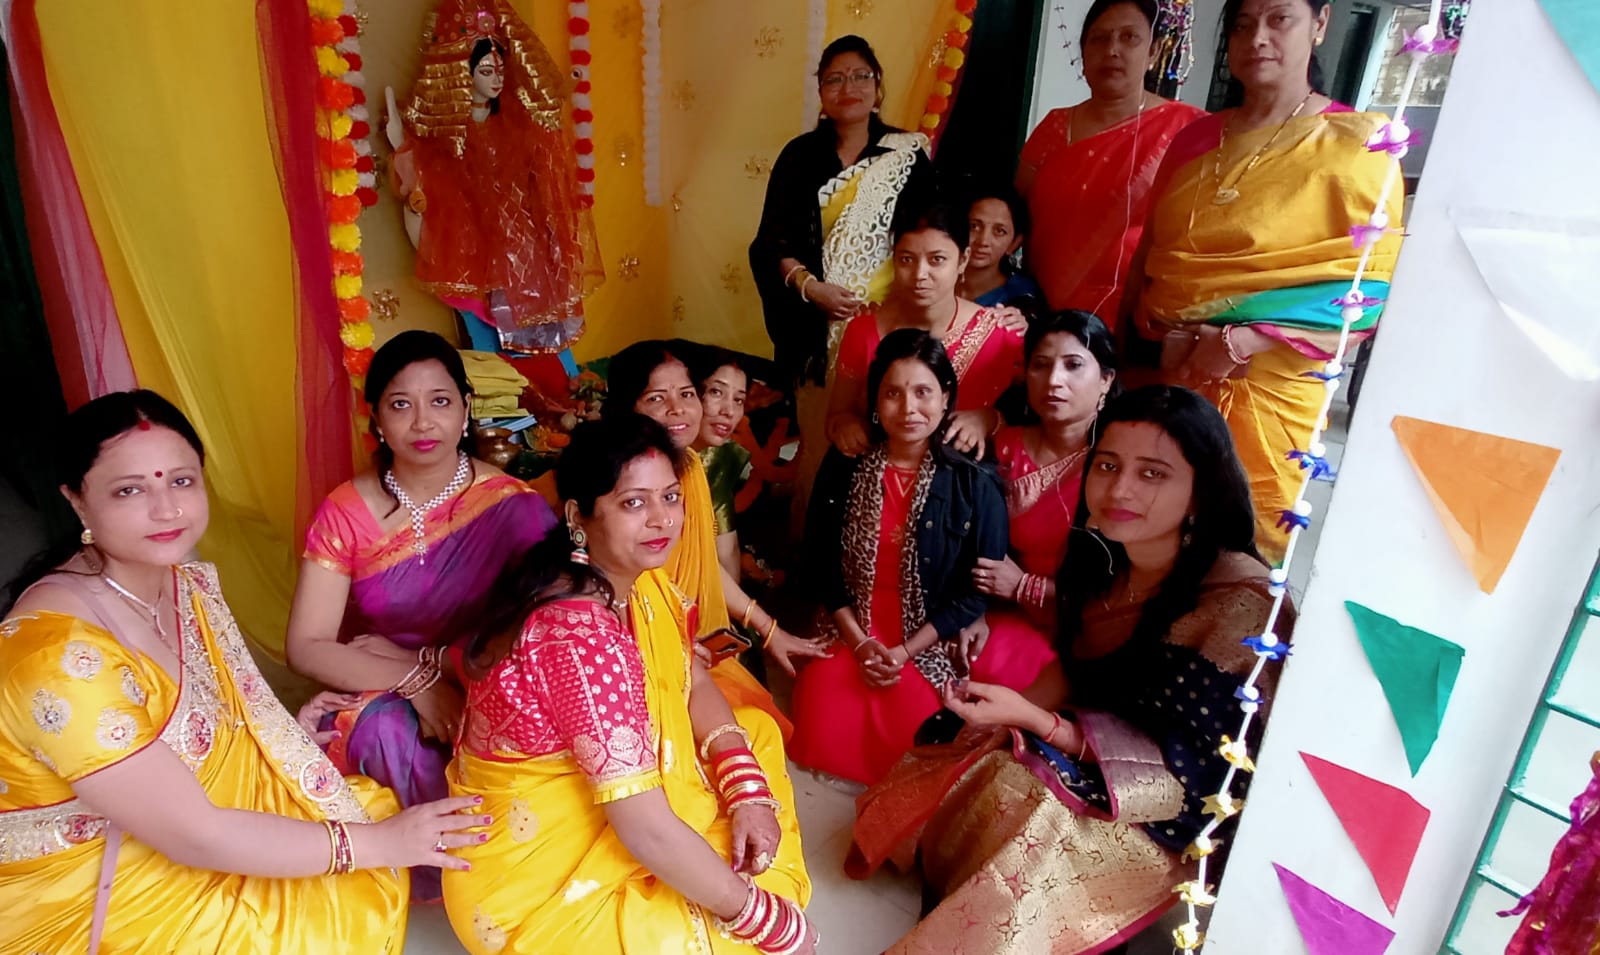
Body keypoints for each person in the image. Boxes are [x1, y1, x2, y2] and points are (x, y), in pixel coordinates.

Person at [0, 390, 484, 952]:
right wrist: (379, 844)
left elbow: (199, 722)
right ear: (77, 501)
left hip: (172, 820)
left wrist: (278, 736)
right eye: (130, 490)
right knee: (326, 905)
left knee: (358, 815)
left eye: (181, 481)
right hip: (88, 883)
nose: (167, 510)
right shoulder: (57, 660)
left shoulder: (180, 583)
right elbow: (198, 835)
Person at [849, 386, 1293, 954]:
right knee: (961, 743)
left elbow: (1203, 771)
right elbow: (1077, 663)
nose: (1119, 489)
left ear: (1202, 492)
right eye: (1107, 465)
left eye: (1152, 474)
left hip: (1168, 804)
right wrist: (1005, 715)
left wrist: (1040, 723)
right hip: (1094, 743)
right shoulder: (1103, 554)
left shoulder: (1241, 605)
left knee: (1031, 800)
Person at [442, 415, 814, 954]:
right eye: (634, 503)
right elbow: (646, 830)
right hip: (535, 877)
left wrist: (745, 788)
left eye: (670, 497)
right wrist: (769, 924)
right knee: (727, 931)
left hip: (616, 807)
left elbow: (690, 676)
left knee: (753, 734)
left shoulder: (639, 582)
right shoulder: (579, 639)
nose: (661, 519)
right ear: (579, 516)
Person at [1129, 0, 1403, 563]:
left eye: (1280, 19)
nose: (1257, 38)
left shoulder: (1360, 144)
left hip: (1272, 386)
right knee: (1155, 537)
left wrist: (1244, 339)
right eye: (1243, 24)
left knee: (1245, 551)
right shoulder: (1193, 140)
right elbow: (1155, 262)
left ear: (1320, 24)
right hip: (1176, 373)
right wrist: (1157, 331)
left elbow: (1368, 293)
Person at [285, 331, 556, 896]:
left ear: (466, 409)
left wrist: (438, 666)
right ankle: (445, 882)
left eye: (440, 401)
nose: (423, 422)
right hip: (384, 679)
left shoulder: (514, 508)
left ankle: (508, 874)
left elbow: (543, 635)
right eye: (401, 405)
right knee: (383, 729)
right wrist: (416, 680)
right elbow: (307, 645)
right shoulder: (345, 512)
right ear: (377, 421)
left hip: (491, 676)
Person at [791, 330, 1008, 786]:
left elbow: (978, 590)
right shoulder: (847, 461)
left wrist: (905, 651)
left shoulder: (972, 477)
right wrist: (859, 643)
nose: (909, 409)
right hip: (852, 626)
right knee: (819, 716)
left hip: (926, 634)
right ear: (875, 400)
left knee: (922, 734)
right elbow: (820, 560)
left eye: (923, 392)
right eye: (893, 393)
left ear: (946, 397)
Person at [749, 34, 938, 533]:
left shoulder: (905, 154)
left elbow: (925, 239)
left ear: (878, 88)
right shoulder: (800, 157)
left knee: (884, 443)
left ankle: (875, 551)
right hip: (816, 334)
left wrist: (898, 309)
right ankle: (812, 557)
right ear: (821, 92)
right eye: (834, 78)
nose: (847, 87)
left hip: (889, 328)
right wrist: (812, 290)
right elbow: (771, 243)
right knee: (821, 448)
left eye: (859, 76)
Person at [603, 342, 827, 710]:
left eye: (686, 394)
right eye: (657, 398)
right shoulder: (610, 483)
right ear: (626, 408)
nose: (678, 408)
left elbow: (706, 563)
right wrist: (672, 648)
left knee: (762, 718)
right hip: (632, 656)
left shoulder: (690, 469)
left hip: (689, 646)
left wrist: (769, 630)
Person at [386, 2, 602, 354]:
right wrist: (401, 145)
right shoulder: (450, 136)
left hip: (526, 246)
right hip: (478, 252)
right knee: (490, 340)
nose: (497, 79)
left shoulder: (516, 126)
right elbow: (432, 189)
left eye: (500, 69)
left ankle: (557, 375)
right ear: (463, 74)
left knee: (547, 336)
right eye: (486, 70)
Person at [1016, 0, 1204, 325]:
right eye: (1100, 39)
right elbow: (1015, 218)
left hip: (1138, 320)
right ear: (1083, 52)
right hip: (1043, 316)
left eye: (1129, 37)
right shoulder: (1054, 127)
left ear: (1154, 52)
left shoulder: (1188, 130)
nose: (1112, 50)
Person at [967, 311, 1119, 691]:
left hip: (1088, 623)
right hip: (1002, 612)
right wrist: (971, 612)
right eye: (1041, 365)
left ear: (1106, 379)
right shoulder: (1001, 447)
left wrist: (1025, 586)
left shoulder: (1119, 464)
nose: (1054, 381)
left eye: (1073, 365)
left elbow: (1125, 582)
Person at [826, 204, 1026, 459]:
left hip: (965, 479)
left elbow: (1033, 426)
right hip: (879, 474)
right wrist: (846, 427)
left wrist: (988, 420)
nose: (920, 275)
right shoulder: (864, 330)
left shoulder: (1000, 334)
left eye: (937, 260)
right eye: (906, 259)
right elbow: (836, 417)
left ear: (963, 260)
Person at [690, 348, 756, 578]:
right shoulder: (652, 462)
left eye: (739, 400)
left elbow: (726, 551)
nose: (729, 411)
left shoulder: (717, 458)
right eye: (717, 392)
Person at [957, 184, 1043, 312]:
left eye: (999, 231)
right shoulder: (936, 276)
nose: (983, 241)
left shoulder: (1021, 296)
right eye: (974, 226)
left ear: (1014, 244)